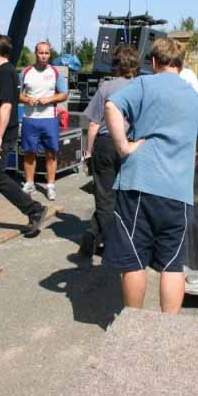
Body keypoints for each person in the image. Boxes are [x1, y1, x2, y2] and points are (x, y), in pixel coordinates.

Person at [104, 37, 198, 314]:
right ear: (181, 65)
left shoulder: (144, 84)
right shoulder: (193, 97)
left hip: (140, 183)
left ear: (153, 62)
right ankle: (167, 328)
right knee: (173, 264)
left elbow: (111, 106)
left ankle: (134, 323)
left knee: (134, 260)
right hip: (178, 191)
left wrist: (123, 146)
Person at [0, 35, 49, 237]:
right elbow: (10, 100)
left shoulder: (5, 72)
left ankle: (34, 209)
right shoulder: (6, 71)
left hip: (1, 134)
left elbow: (6, 105)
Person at [80, 45, 141, 259]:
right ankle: (98, 237)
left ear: (116, 64)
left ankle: (107, 241)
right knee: (124, 197)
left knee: (105, 196)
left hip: (105, 145)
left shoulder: (106, 88)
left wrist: (88, 151)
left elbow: (94, 124)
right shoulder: (142, 88)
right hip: (132, 144)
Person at [18, 42, 69, 201]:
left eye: (46, 53)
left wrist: (50, 99)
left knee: (51, 153)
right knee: (29, 153)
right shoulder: (25, 72)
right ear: (36, 53)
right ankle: (29, 183)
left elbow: (64, 94)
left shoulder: (55, 72)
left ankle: (50, 186)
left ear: (50, 54)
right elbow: (17, 94)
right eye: (41, 53)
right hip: (30, 119)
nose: (44, 56)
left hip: (49, 119)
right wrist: (27, 100)